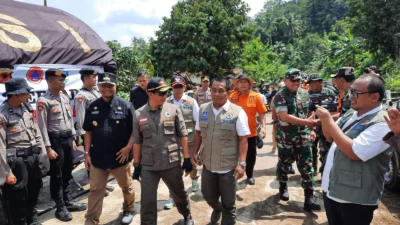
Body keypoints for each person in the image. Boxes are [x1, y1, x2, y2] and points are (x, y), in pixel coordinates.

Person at [317, 74, 391, 225]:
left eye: (356, 93)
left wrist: (329, 121)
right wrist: (325, 121)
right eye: (351, 92)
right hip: (333, 190)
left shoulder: (383, 122)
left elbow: (355, 152)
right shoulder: (352, 113)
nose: (351, 96)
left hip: (355, 199)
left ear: (374, 97)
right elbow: (330, 137)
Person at [132, 77, 194, 225]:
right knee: (147, 201)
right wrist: (136, 164)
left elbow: (183, 135)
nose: (164, 96)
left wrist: (186, 159)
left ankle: (187, 215)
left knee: (179, 194)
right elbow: (137, 141)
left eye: (166, 92)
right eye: (161, 93)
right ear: (150, 93)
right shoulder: (138, 114)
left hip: (170, 162)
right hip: (149, 165)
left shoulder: (173, 109)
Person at [193, 77, 249, 224]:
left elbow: (243, 139)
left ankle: (227, 215)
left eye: (221, 91)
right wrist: (195, 151)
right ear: (210, 91)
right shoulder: (203, 109)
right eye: (214, 90)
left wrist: (241, 163)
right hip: (208, 164)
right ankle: (217, 208)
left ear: (228, 92)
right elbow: (198, 132)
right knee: (208, 195)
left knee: (229, 203)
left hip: (228, 167)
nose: (217, 94)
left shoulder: (237, 112)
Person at [83, 73, 136, 225]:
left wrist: (128, 147)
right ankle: (91, 220)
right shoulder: (93, 106)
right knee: (95, 191)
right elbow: (88, 131)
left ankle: (128, 208)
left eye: (110, 85)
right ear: (98, 86)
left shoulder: (126, 105)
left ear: (115, 86)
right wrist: (86, 153)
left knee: (126, 187)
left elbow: (135, 130)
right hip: (98, 158)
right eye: (104, 85)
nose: (107, 88)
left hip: (120, 158)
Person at [36, 69, 87, 221]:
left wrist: (72, 138)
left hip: (66, 140)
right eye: (59, 80)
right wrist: (48, 148)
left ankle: (69, 200)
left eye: (63, 80)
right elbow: (42, 126)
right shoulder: (43, 101)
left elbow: (70, 120)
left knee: (67, 172)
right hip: (54, 141)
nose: (63, 83)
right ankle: (60, 207)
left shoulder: (64, 97)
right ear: (50, 81)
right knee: (57, 175)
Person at [0, 78, 50, 225]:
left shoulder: (27, 108)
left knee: (34, 190)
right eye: (26, 91)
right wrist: (6, 172)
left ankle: (32, 218)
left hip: (32, 157)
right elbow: (0, 146)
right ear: (16, 94)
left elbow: (37, 133)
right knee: (17, 196)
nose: (29, 94)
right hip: (16, 162)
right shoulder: (3, 114)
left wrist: (43, 154)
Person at [273, 68, 320, 211]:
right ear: (286, 80)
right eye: (293, 80)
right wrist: (307, 123)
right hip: (286, 138)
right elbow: (284, 117)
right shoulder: (280, 96)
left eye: (298, 80)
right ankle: (283, 185)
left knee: (307, 166)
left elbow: (310, 110)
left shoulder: (305, 94)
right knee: (284, 163)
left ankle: (309, 198)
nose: (296, 83)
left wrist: (311, 128)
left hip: (303, 137)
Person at [74, 68, 114, 196]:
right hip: (91, 133)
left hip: (103, 132)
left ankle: (103, 183)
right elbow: (81, 117)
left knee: (103, 157)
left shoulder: (96, 92)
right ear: (86, 79)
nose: (96, 79)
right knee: (92, 159)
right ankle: (95, 186)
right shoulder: (81, 96)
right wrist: (84, 133)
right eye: (93, 77)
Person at [164, 76, 200, 209]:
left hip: (189, 140)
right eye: (175, 86)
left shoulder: (191, 102)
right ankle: (172, 195)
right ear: (171, 87)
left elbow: (197, 123)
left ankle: (194, 180)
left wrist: (198, 143)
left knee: (191, 163)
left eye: (180, 86)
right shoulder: (166, 102)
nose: (178, 89)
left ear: (185, 87)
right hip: (171, 141)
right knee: (173, 169)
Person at [229, 74, 267, 185]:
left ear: (250, 84)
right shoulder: (230, 96)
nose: (243, 84)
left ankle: (249, 175)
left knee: (251, 156)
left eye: (246, 82)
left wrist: (264, 127)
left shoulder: (255, 96)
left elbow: (262, 113)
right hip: (233, 133)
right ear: (236, 84)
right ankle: (231, 176)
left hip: (251, 133)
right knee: (232, 155)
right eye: (241, 82)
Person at [306, 74, 337, 175]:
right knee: (311, 149)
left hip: (326, 126)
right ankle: (313, 170)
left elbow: (335, 109)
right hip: (311, 125)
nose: (314, 84)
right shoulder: (305, 95)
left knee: (326, 149)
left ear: (320, 82)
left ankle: (325, 172)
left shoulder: (329, 92)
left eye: (316, 82)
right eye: (311, 82)